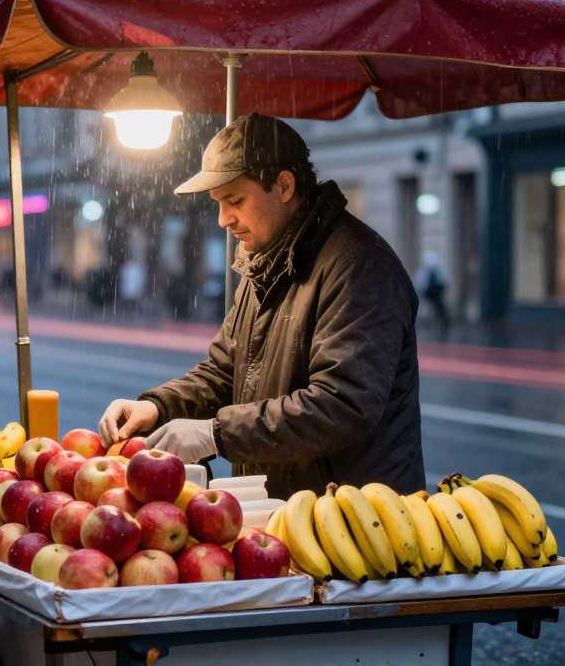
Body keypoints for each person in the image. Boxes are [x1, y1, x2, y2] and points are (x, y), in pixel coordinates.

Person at [98, 114, 425, 498]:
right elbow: (224, 373)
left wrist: (214, 434)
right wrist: (158, 406)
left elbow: (342, 406)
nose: (224, 219)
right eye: (218, 204)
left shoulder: (359, 266)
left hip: (356, 518)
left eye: (235, 200)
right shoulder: (264, 260)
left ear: (284, 186)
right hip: (279, 509)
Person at [416, 251, 450, 337]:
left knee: (440, 310)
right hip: (431, 295)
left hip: (434, 295)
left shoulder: (435, 272)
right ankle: (442, 326)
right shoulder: (428, 273)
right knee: (439, 310)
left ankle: (443, 327)